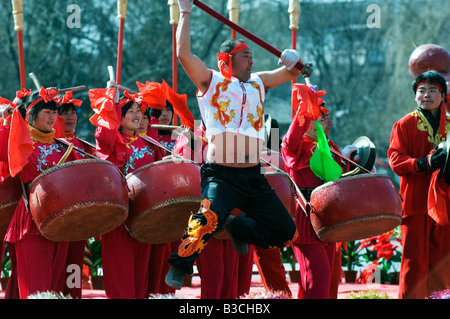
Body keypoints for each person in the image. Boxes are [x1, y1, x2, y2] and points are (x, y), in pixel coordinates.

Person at [165, 0, 310, 290]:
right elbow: (183, 55)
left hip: (254, 177)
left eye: (252, 56)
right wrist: (184, 11)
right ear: (227, 60)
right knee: (205, 220)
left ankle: (238, 228)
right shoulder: (211, 82)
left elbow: (294, 73)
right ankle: (181, 265)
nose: (252, 61)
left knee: (286, 232)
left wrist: (293, 61)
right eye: (245, 56)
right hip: (221, 174)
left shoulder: (258, 82)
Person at [0, 87, 78, 298]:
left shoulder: (65, 147)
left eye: (54, 112)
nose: (53, 117)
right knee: (37, 287)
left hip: (60, 222)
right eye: (47, 111)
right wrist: (8, 120)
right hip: (31, 221)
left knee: (54, 286)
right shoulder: (22, 144)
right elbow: (2, 148)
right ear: (31, 115)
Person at [89, 82, 164, 298]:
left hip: (145, 218)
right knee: (122, 283)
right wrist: (110, 101)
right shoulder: (111, 141)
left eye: (139, 111)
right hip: (119, 218)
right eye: (130, 111)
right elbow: (103, 133)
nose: (137, 115)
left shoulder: (149, 143)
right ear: (118, 117)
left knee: (141, 282)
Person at [388, 70, 450, 299]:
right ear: (415, 96)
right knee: (413, 263)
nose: (426, 95)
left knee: (443, 263)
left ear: (442, 95)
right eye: (421, 90)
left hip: (445, 204)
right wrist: (423, 163)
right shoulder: (404, 124)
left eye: (433, 90)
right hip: (415, 204)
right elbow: (395, 160)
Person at [281, 85, 341, 299]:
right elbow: (294, 132)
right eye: (320, 118)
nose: (325, 122)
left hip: (330, 216)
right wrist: (305, 108)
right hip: (307, 215)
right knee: (317, 274)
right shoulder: (294, 145)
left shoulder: (330, 146)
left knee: (327, 277)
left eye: (324, 118)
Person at [56, 91, 96, 299]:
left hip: (79, 218)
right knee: (53, 269)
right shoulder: (49, 144)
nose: (70, 117)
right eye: (65, 113)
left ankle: (72, 296)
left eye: (73, 113)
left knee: (74, 265)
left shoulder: (85, 147)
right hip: (54, 217)